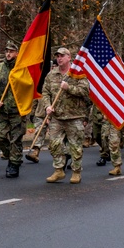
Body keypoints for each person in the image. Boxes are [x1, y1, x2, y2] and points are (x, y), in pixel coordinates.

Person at [41, 47, 90, 184]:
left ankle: (76, 171)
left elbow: (85, 91)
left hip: (74, 117)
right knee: (54, 144)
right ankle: (58, 170)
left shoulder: (77, 73)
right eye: (57, 56)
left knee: (75, 146)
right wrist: (47, 106)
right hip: (57, 116)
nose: (59, 58)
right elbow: (45, 93)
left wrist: (69, 88)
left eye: (62, 55)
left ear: (69, 57)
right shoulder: (51, 75)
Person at [0, 41, 28, 178]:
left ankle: (14, 165)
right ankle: (12, 156)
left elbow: (28, 87)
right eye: (6, 51)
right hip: (2, 110)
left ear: (17, 53)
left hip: (17, 110)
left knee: (16, 139)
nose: (8, 54)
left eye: (11, 51)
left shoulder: (22, 69)